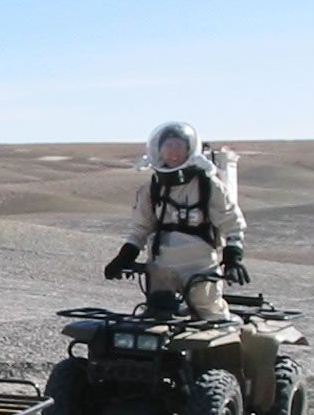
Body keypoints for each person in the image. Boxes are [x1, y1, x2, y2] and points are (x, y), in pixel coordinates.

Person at [103, 122, 248, 320]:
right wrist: (124, 257)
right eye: (168, 145)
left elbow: (231, 222)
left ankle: (229, 334)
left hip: (200, 266)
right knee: (157, 316)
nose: (173, 151)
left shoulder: (208, 186)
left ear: (189, 150)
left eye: (179, 146)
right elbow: (140, 229)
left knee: (209, 312)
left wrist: (233, 258)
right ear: (159, 151)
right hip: (162, 266)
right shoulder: (152, 189)